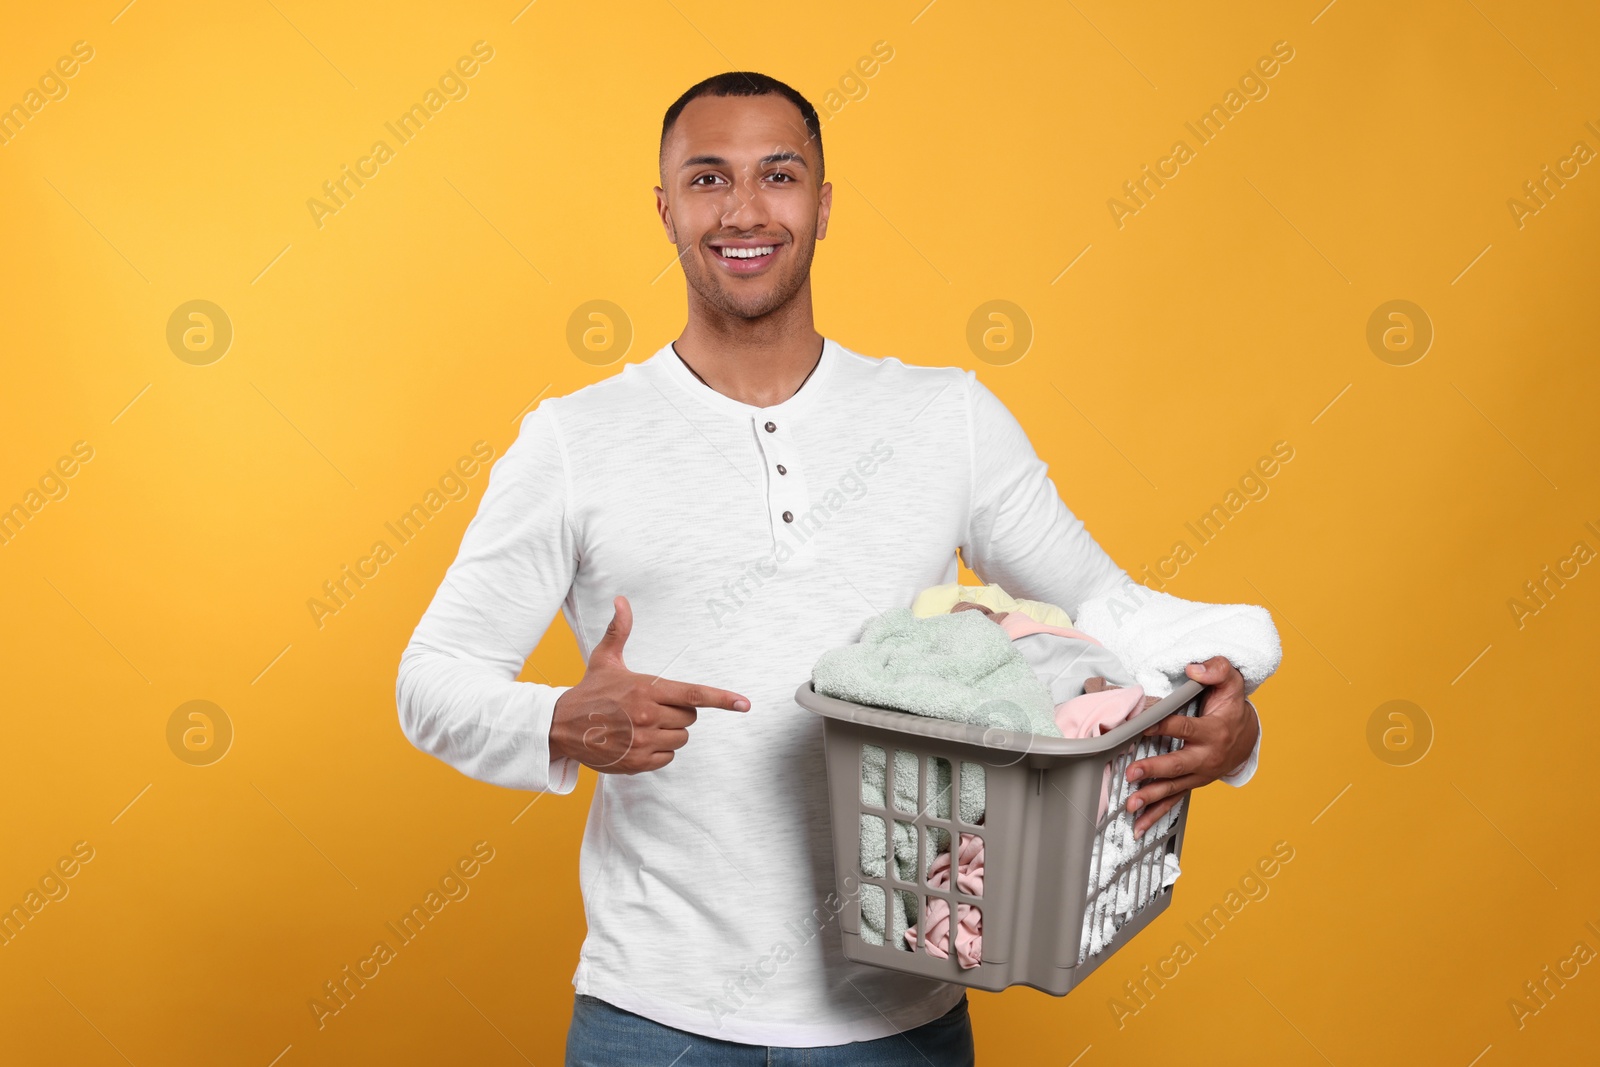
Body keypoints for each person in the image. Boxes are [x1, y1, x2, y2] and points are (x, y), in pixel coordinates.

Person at [396, 70, 1271, 1067]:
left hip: (900, 1017)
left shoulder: (947, 419)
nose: (743, 209)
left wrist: (1228, 724)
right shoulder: (572, 440)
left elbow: (1111, 614)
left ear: (822, 203)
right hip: (652, 1017)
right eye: (707, 178)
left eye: (778, 175)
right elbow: (429, 679)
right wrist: (557, 719)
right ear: (665, 207)